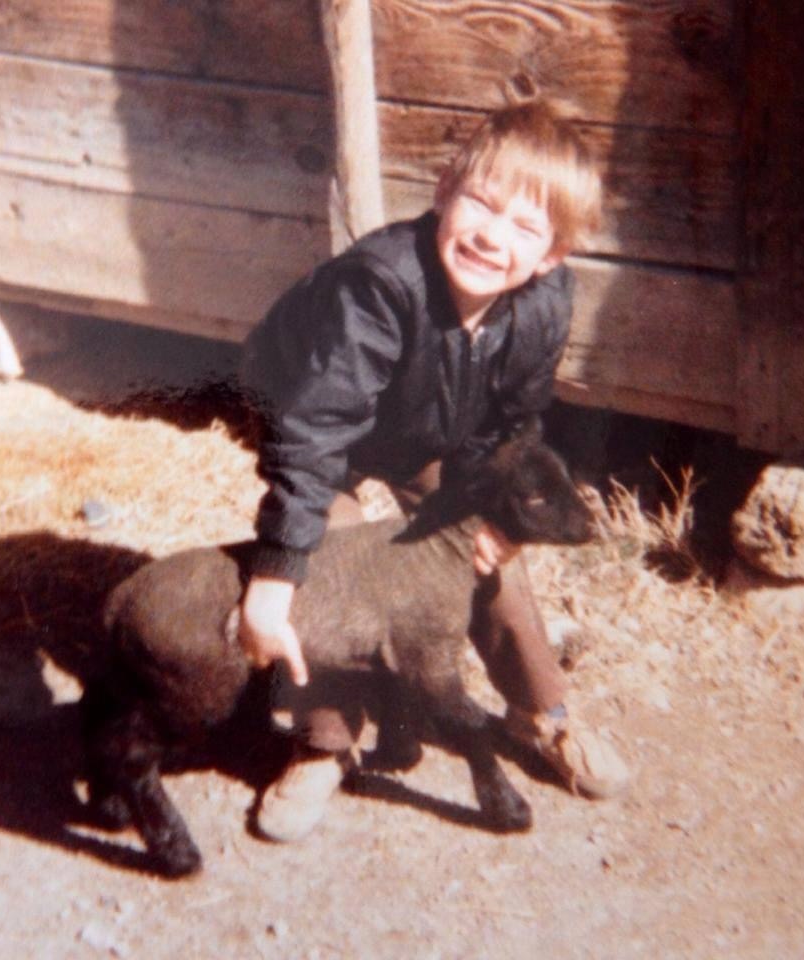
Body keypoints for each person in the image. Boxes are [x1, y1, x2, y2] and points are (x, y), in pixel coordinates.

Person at [237, 99, 629, 842]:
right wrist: (276, 571)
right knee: (336, 560)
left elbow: (513, 422)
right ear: (445, 191)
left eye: (525, 227)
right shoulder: (378, 285)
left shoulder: (544, 303)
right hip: (313, 417)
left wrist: (498, 522)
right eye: (481, 202)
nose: (491, 236)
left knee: (476, 547)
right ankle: (324, 740)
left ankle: (540, 712)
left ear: (552, 255)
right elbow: (315, 432)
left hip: (426, 423)